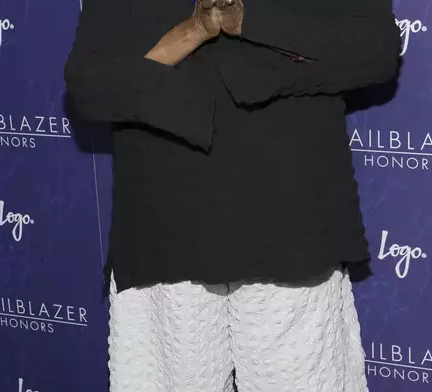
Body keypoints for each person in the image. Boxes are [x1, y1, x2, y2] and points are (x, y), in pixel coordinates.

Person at [64, 0, 400, 390]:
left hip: (289, 221)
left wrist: (250, 21)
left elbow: (375, 49)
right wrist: (194, 31)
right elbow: (88, 88)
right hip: (165, 225)